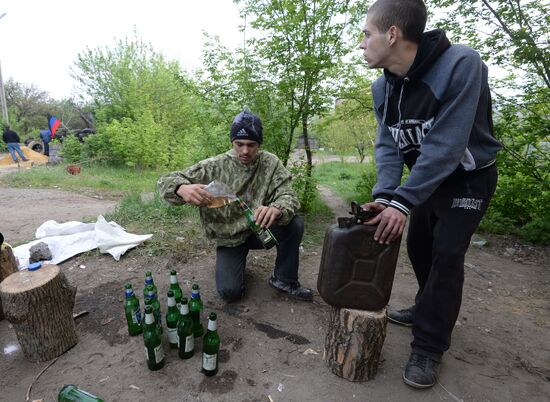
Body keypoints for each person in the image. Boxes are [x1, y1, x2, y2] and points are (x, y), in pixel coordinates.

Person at [359, 0, 501, 389]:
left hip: (468, 177)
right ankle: (427, 307)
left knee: (446, 255)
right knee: (419, 249)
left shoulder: (461, 64)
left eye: (366, 33)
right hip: (427, 181)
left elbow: (447, 145)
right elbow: (388, 146)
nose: (362, 44)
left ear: (392, 34)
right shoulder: (382, 88)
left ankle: (429, 347)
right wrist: (388, 195)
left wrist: (404, 200)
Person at [158, 110, 313, 303]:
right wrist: (181, 188)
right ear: (232, 142)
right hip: (229, 238)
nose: (245, 151)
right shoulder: (215, 166)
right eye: (239, 144)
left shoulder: (270, 163)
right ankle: (233, 263)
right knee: (230, 293)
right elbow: (166, 181)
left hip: (259, 230)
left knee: (294, 223)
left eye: (251, 145)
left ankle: (284, 279)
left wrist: (277, 208)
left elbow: (289, 195)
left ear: (259, 144)